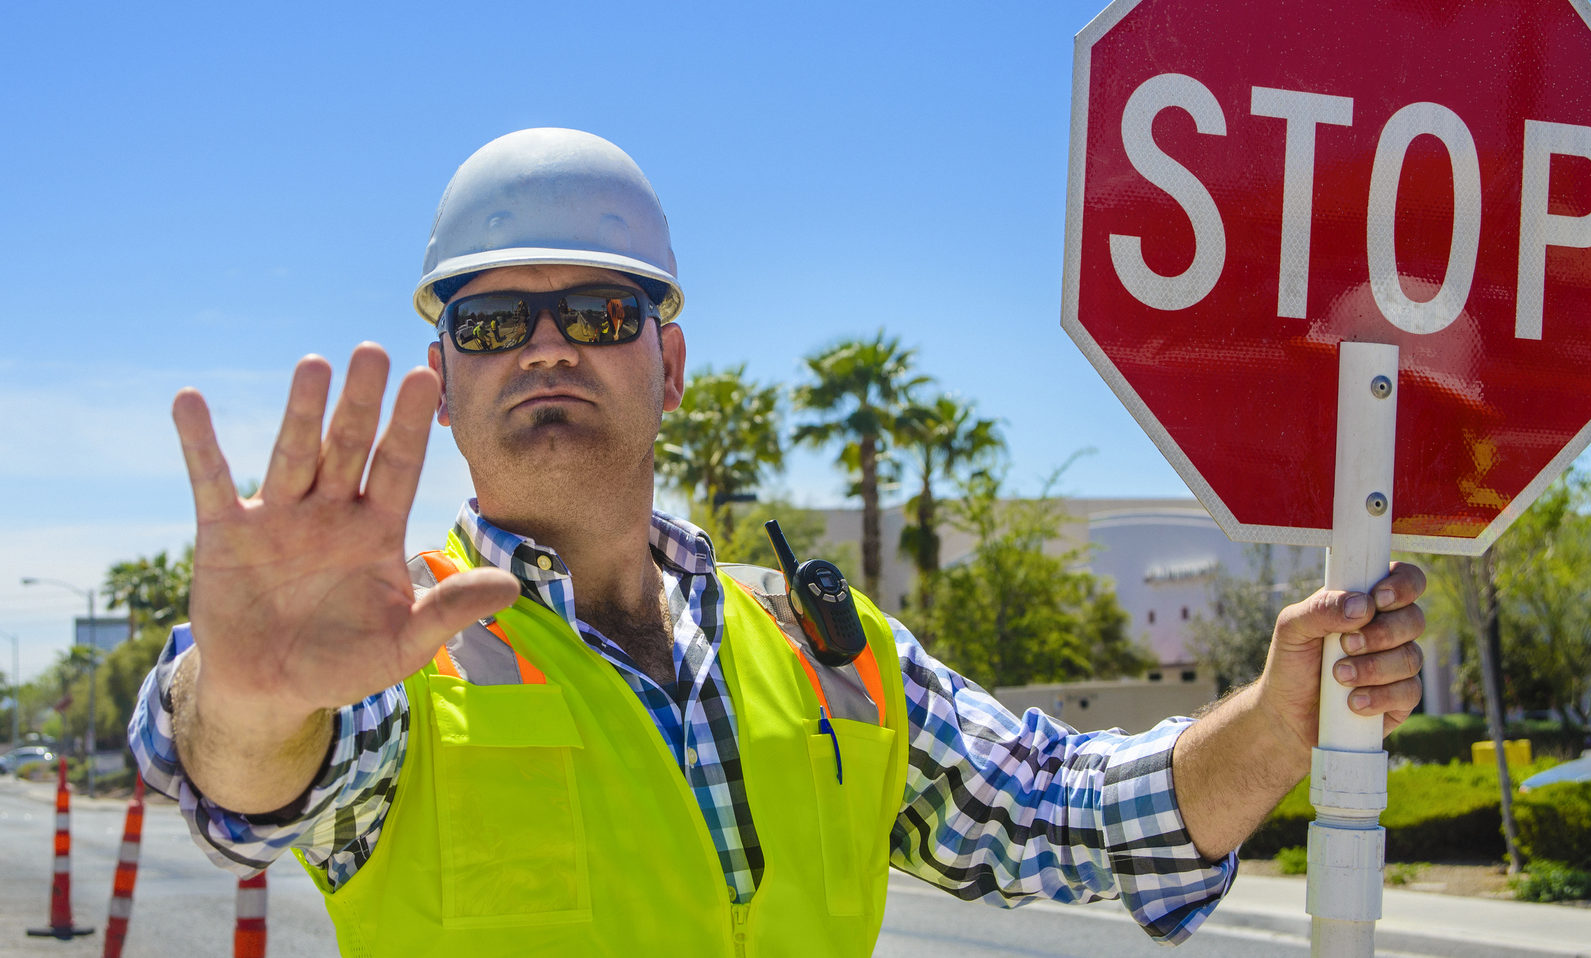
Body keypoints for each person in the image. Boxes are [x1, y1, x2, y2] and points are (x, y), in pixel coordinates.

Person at [129, 128, 1425, 956]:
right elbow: (257, 781)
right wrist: (241, 699)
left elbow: (1069, 813)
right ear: (446, 376)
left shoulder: (828, 656)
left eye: (592, 310)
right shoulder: (386, 660)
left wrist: (1275, 714)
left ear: (670, 360)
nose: (541, 348)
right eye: (490, 325)